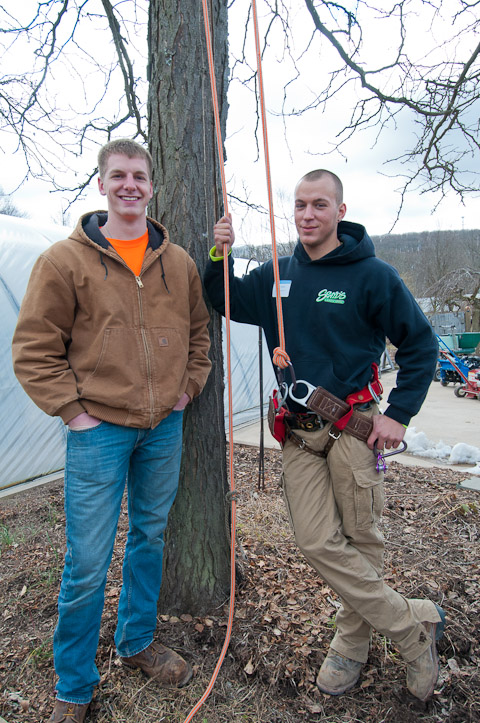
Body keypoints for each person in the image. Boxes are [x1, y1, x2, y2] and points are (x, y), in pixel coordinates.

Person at [204, 169, 445, 702]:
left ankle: (350, 645)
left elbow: (421, 346)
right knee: (316, 541)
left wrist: (399, 415)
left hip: (353, 429)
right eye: (299, 205)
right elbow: (225, 300)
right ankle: (412, 628)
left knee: (362, 539)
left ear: (340, 210)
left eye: (319, 204)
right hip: (297, 433)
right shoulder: (276, 275)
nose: (307, 214)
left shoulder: (373, 276)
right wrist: (218, 256)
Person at [12, 139, 212, 723]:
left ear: (153, 187)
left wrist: (187, 390)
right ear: (101, 185)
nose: (130, 185)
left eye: (140, 176)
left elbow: (199, 337)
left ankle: (136, 642)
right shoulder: (64, 262)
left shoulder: (178, 264)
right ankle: (74, 684)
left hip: (162, 430)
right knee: (87, 562)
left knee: (150, 538)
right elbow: (33, 350)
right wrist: (73, 412)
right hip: (96, 431)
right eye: (118, 175)